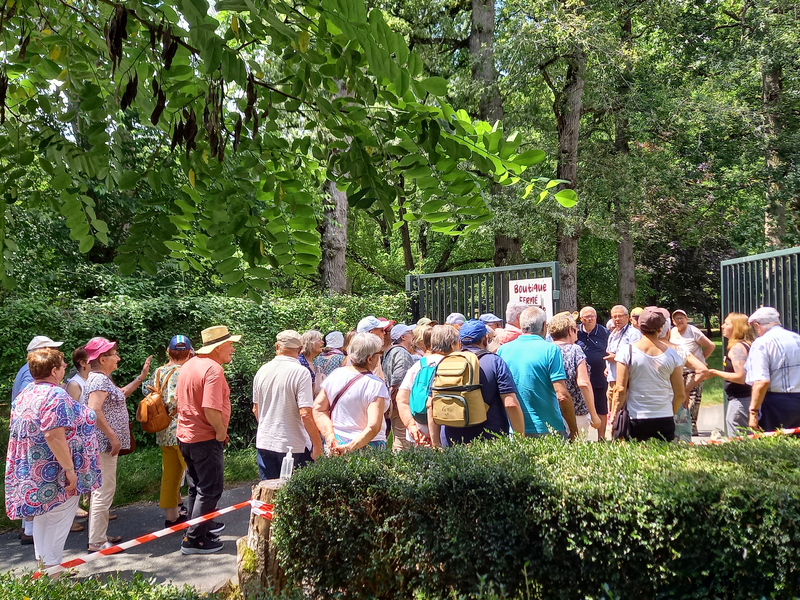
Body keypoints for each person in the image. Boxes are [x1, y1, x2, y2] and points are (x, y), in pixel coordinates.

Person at [5, 348, 101, 575]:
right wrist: (70, 470)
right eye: (63, 364)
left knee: (43, 521)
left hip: (34, 472)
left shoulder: (26, 393)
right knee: (58, 521)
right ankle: (53, 574)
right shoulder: (54, 395)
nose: (66, 367)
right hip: (55, 472)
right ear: (54, 370)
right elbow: (53, 435)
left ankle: (45, 569)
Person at [81, 337, 151, 552]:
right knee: (104, 491)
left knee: (103, 490)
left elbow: (121, 394)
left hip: (101, 445)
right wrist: (113, 436)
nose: (118, 358)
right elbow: (94, 409)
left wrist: (141, 378)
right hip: (103, 445)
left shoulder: (101, 379)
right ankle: (97, 542)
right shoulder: (99, 381)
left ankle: (99, 534)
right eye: (114, 355)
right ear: (103, 359)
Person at [175, 325, 240, 555]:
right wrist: (221, 433)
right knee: (211, 489)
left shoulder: (188, 364)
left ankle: (198, 531)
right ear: (219, 347)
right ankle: (193, 540)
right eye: (230, 344)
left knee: (196, 488)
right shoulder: (213, 369)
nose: (233, 348)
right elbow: (211, 409)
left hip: (186, 436)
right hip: (205, 438)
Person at [436, 320, 524, 445]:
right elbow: (511, 404)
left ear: (460, 342)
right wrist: (520, 440)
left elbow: (430, 404)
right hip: (487, 441)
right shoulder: (495, 362)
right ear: (485, 340)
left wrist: (436, 444)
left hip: (450, 440)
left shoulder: (444, 363)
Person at [497, 307, 577, 439]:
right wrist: (573, 430)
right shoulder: (551, 350)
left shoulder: (503, 350)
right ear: (545, 325)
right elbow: (562, 395)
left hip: (516, 428)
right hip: (549, 427)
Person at [253, 330, 322, 480]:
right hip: (294, 445)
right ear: (300, 349)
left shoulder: (262, 371)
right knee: (294, 498)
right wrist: (317, 445)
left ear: (277, 347)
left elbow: (255, 409)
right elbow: (305, 414)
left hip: (265, 441)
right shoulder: (301, 373)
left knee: (269, 496)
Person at [141, 335, 194, 528]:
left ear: (168, 352)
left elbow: (146, 393)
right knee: (193, 476)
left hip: (163, 432)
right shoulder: (189, 371)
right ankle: (199, 519)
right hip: (184, 430)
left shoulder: (158, 372)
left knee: (170, 476)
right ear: (189, 351)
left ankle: (171, 517)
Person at [611, 308, 685, 442]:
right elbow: (680, 394)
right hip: (664, 418)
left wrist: (613, 416)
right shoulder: (672, 354)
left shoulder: (626, 351)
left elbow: (620, 389)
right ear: (661, 328)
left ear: (639, 325)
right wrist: (669, 413)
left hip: (636, 418)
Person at [313, 333, 391, 453]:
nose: (380, 357)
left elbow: (318, 409)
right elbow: (373, 426)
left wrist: (329, 436)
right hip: (367, 447)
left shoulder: (336, 375)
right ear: (369, 358)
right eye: (379, 354)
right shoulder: (375, 384)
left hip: (336, 444)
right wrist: (349, 448)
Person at [396, 325, 459, 447]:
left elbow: (401, 399)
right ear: (452, 344)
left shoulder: (419, 365)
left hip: (418, 435)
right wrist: (433, 433)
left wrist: (412, 426)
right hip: (445, 436)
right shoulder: (455, 366)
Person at [745, 307, 800, 432]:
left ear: (757, 325)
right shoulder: (796, 338)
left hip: (776, 404)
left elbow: (761, 381)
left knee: (774, 446)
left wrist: (753, 411)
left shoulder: (762, 343)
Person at [550, 313, 601, 440]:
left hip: (553, 411)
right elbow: (583, 382)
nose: (577, 332)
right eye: (575, 330)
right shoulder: (575, 350)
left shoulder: (546, 350)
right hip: (577, 412)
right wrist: (594, 414)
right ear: (569, 331)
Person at [706, 313, 755, 435]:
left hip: (741, 401)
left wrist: (715, 372)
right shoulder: (746, 344)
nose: (722, 326)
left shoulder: (738, 347)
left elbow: (741, 377)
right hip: (745, 399)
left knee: (738, 441)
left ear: (737, 327)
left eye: (726, 324)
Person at [669, 309, 715, 435]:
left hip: (694, 370)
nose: (679, 320)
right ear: (673, 321)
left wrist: (701, 360)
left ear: (686, 319)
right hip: (679, 369)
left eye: (681, 318)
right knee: (680, 396)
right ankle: (681, 425)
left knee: (693, 397)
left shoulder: (692, 330)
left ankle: (692, 425)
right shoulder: (672, 332)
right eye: (676, 318)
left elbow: (711, 345)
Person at [577, 306, 611, 440]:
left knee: (601, 408)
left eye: (593, 316)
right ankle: (579, 438)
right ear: (581, 319)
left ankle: (601, 438)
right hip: (579, 378)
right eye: (587, 317)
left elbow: (610, 351)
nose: (590, 319)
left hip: (599, 377)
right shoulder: (575, 332)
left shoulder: (604, 333)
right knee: (579, 409)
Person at [604, 305, 642, 425]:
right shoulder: (613, 333)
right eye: (614, 317)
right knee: (612, 410)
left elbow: (637, 355)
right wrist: (607, 367)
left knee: (622, 412)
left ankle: (623, 435)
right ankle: (614, 436)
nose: (617, 319)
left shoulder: (633, 333)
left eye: (620, 316)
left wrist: (615, 358)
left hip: (625, 381)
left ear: (627, 317)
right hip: (612, 378)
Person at [382, 323, 417, 450]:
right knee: (403, 440)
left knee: (399, 437)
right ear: (403, 337)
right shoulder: (401, 353)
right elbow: (399, 379)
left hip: (394, 402)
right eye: (410, 333)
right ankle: (400, 465)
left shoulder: (391, 352)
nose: (413, 336)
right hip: (399, 403)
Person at [13, 336, 64, 403]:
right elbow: (24, 400)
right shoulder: (30, 372)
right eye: (52, 349)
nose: (55, 352)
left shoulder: (30, 368)